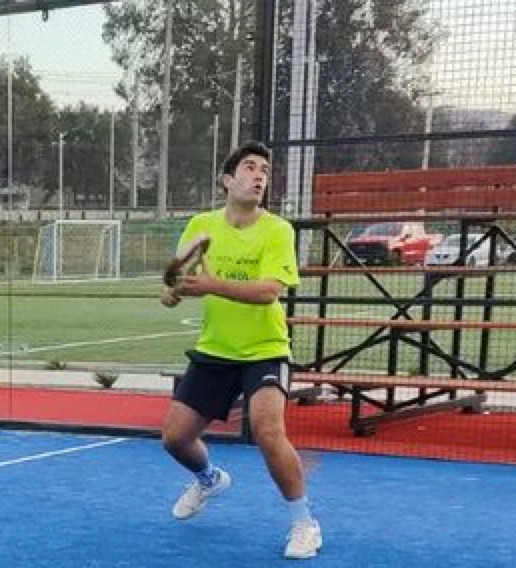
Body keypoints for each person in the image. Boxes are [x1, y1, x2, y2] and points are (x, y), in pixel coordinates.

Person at [161, 140, 322, 559]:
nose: (259, 176)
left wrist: (211, 285)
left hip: (265, 349)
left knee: (268, 431)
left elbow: (269, 291)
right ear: (227, 180)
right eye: (250, 167)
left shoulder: (278, 230)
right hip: (215, 348)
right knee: (175, 438)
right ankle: (210, 479)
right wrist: (174, 292)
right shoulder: (202, 224)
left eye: (264, 171)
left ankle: (305, 523)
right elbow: (181, 280)